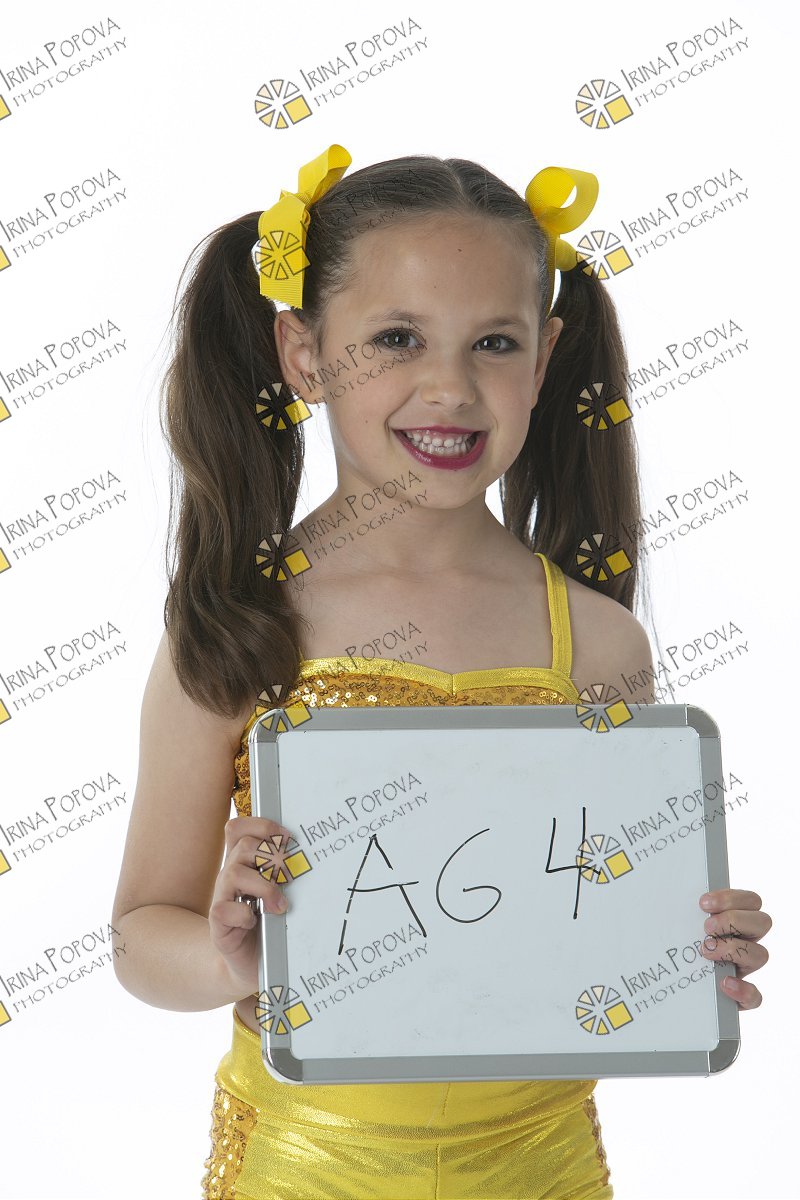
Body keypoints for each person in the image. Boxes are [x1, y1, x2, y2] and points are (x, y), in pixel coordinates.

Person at [111, 145, 771, 1200]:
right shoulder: (240, 628)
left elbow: (584, 907)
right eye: (396, 339)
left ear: (544, 359)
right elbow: (142, 933)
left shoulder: (599, 644)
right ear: (303, 353)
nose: (451, 388)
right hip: (302, 1168)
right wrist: (233, 960)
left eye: (494, 343)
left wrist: (682, 950)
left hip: (543, 1168)